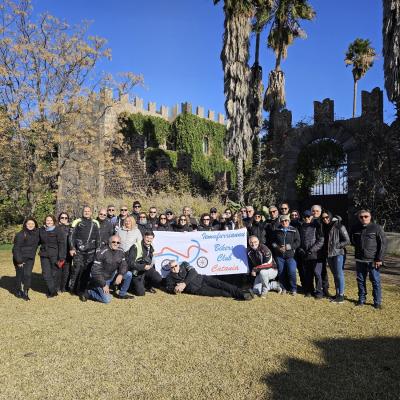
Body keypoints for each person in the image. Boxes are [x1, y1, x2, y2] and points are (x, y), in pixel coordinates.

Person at [351, 210, 387, 309]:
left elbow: (383, 244)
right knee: (360, 280)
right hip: (360, 259)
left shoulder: (377, 228)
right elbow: (353, 241)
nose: (364, 218)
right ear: (358, 218)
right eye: (361, 217)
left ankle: (377, 302)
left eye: (366, 216)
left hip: (373, 260)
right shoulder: (355, 228)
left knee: (375, 281)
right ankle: (361, 299)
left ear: (370, 217)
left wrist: (379, 258)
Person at [165, 261, 254, 300]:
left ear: (178, 265)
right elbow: (168, 287)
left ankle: (242, 293)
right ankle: (240, 295)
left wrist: (184, 284)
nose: (174, 268)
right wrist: (175, 289)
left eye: (175, 266)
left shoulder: (184, 264)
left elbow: (193, 272)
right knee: (220, 292)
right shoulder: (170, 277)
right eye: (172, 267)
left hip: (203, 279)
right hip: (198, 289)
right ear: (170, 268)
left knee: (222, 284)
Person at [81, 235, 133, 303]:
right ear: (109, 242)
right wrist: (103, 284)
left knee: (129, 274)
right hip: (101, 278)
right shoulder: (101, 252)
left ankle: (122, 294)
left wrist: (120, 275)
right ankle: (89, 292)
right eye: (113, 242)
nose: (116, 244)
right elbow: (95, 271)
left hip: (111, 275)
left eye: (118, 242)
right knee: (107, 300)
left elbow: (124, 265)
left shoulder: (121, 251)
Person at [69, 206, 100, 296]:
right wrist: (72, 248)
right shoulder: (77, 222)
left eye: (88, 211)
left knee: (86, 271)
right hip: (78, 251)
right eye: (85, 211)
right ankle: (72, 288)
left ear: (91, 213)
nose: (86, 212)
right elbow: (71, 236)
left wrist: (97, 250)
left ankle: (82, 289)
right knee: (76, 269)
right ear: (82, 212)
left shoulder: (95, 223)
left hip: (91, 252)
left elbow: (98, 238)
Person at [321, 211, 350, 303]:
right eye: (323, 218)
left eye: (327, 217)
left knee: (339, 274)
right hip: (329, 254)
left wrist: (337, 246)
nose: (325, 219)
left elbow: (347, 240)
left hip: (338, 254)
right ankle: (337, 294)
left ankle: (341, 295)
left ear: (330, 216)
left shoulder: (339, 226)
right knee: (335, 274)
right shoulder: (324, 227)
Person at [271, 214, 300, 295]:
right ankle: (283, 288)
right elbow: (273, 242)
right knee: (281, 272)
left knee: (292, 271)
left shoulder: (294, 230)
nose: (284, 222)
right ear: (280, 222)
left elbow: (298, 242)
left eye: (286, 220)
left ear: (289, 221)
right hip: (280, 256)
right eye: (282, 221)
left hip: (291, 256)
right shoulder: (276, 231)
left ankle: (293, 289)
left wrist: (289, 247)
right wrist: (278, 248)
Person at [298, 210, 325, 298]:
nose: (307, 218)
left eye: (308, 217)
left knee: (317, 273)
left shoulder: (317, 226)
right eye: (305, 217)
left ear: (312, 217)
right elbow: (300, 241)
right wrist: (301, 249)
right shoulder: (301, 227)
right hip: (305, 254)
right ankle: (309, 291)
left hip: (316, 254)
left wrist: (311, 250)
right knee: (308, 274)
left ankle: (319, 292)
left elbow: (321, 240)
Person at [126, 231, 162, 296]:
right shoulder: (135, 246)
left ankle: (147, 285)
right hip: (137, 270)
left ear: (153, 239)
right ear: (143, 237)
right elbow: (130, 263)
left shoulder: (151, 247)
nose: (149, 240)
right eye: (147, 237)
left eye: (151, 238)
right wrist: (143, 266)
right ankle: (131, 286)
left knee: (158, 278)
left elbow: (151, 260)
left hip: (147, 269)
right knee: (141, 293)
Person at [12, 217, 40, 300]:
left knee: (27, 275)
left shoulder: (37, 233)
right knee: (19, 275)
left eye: (32, 223)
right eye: (28, 224)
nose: (30, 225)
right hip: (20, 258)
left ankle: (25, 292)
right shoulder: (21, 234)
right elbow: (16, 249)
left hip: (30, 258)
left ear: (35, 225)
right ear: (25, 225)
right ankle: (18, 290)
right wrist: (19, 261)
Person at [39, 215, 66, 298]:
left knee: (54, 273)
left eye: (51, 220)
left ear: (54, 221)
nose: (49, 222)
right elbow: (37, 240)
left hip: (54, 255)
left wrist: (61, 257)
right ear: (45, 221)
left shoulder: (58, 230)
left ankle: (51, 290)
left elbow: (62, 244)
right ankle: (52, 290)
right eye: (47, 220)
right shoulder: (41, 230)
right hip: (44, 254)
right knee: (46, 273)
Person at [311, 204, 331, 297]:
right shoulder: (309, 221)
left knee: (323, 271)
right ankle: (317, 289)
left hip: (322, 250)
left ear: (320, 212)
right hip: (312, 251)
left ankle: (325, 289)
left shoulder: (323, 222)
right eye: (313, 211)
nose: (315, 213)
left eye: (317, 211)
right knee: (316, 271)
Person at [57, 212, 72, 292]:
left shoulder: (71, 228)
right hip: (59, 253)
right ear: (59, 219)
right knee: (58, 271)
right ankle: (58, 287)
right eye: (62, 218)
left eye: (66, 218)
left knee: (66, 271)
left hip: (68, 253)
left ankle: (64, 287)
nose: (64, 219)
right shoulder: (56, 228)